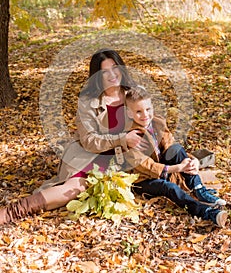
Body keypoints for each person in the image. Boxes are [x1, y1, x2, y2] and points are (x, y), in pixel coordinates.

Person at [0, 48, 145, 225]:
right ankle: (12, 212)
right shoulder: (88, 101)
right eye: (104, 71)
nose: (112, 74)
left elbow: (153, 123)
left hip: (122, 157)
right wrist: (122, 139)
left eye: (115, 68)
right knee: (74, 189)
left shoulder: (136, 93)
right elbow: (89, 141)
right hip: (89, 155)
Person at [124, 86, 228, 227]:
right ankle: (207, 212)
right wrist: (177, 168)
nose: (145, 115)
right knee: (169, 187)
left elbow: (171, 145)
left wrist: (192, 160)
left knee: (177, 149)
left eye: (148, 109)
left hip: (165, 168)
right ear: (129, 113)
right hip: (144, 180)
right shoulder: (130, 136)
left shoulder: (157, 122)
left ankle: (199, 190)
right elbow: (147, 166)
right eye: (138, 112)